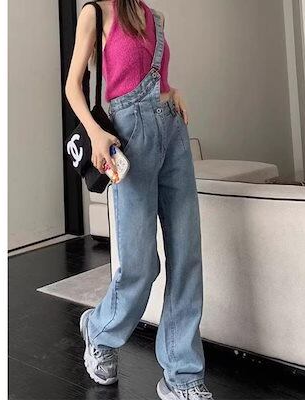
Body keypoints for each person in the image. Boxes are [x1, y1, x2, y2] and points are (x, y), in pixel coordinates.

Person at [65, 1, 214, 399]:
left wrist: (172, 92)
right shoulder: (95, 13)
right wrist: (96, 133)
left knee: (187, 255)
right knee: (140, 264)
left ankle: (182, 375)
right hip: (130, 139)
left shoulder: (153, 16)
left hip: (172, 133)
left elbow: (154, 79)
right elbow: (72, 86)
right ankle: (99, 329)